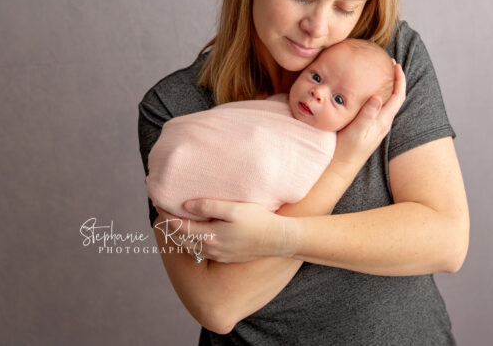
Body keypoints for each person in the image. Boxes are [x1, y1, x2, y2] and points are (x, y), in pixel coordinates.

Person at [137, 0, 470, 345]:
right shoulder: (175, 109)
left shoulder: (389, 64)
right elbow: (217, 303)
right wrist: (347, 160)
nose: (318, 27)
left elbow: (445, 239)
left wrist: (275, 236)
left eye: (345, 7)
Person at [146, 39, 395, 221]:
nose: (317, 93)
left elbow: (284, 184)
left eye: (339, 100)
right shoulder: (279, 102)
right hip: (179, 149)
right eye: (316, 77)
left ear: (360, 118)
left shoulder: (320, 149)